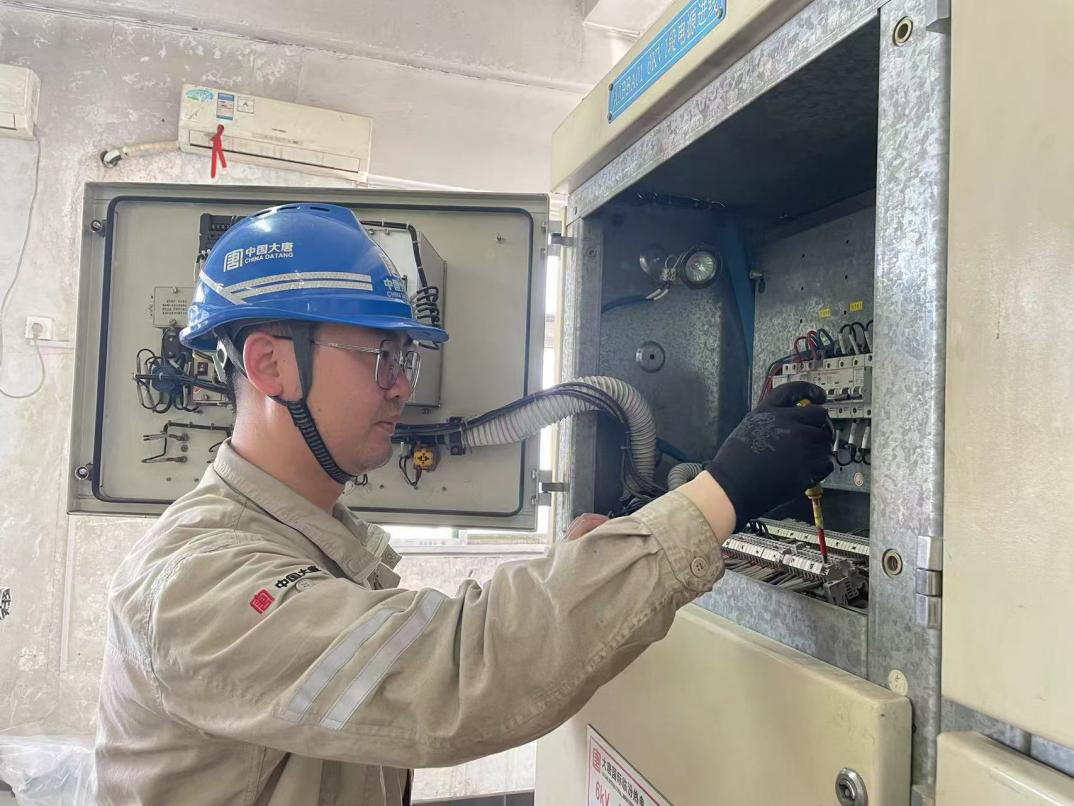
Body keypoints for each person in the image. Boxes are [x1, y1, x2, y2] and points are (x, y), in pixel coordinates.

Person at [94, 204, 833, 805]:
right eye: (381, 357)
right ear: (270, 363)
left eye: (406, 359)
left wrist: (584, 568)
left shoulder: (303, 543)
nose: (402, 387)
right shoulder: (196, 582)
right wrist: (719, 495)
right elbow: (449, 671)